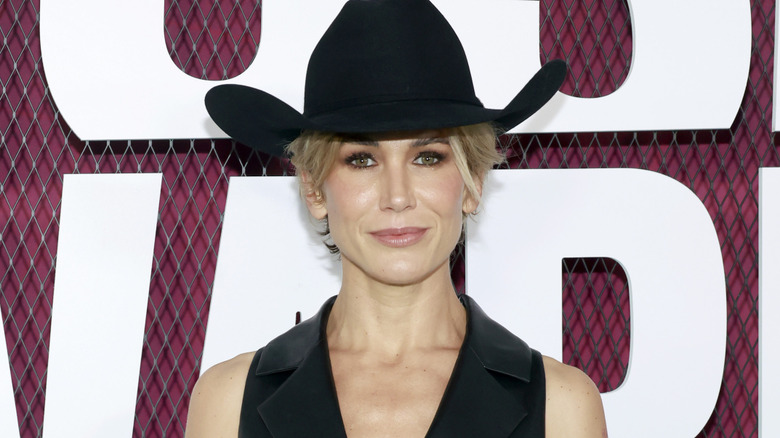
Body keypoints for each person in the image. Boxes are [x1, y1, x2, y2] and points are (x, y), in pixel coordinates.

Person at [186, 0, 608, 436]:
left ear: (473, 182)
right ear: (314, 189)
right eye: (361, 160)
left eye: (427, 157)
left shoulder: (561, 407)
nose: (398, 196)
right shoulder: (230, 402)